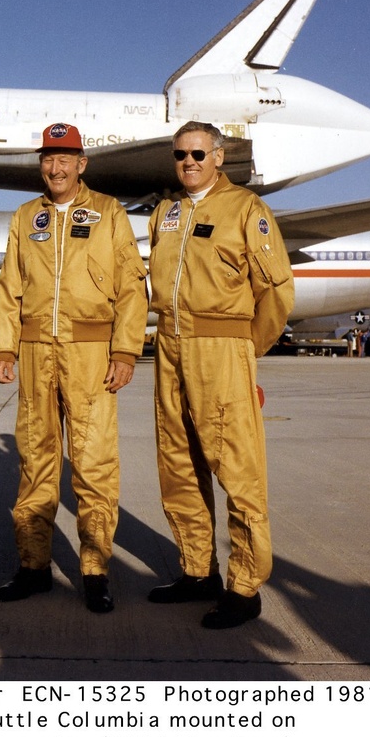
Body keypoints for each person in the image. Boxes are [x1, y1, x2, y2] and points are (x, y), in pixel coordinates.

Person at [0, 122, 148, 614]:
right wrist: (4, 348)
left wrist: (125, 352)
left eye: (65, 158)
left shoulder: (107, 213)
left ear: (82, 164)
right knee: (35, 460)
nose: (55, 167)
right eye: (47, 158)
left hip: (90, 355)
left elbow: (130, 287)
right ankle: (33, 565)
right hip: (38, 353)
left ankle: (95, 568)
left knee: (93, 462)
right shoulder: (26, 217)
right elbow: (9, 286)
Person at [147, 121, 294, 629]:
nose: (188, 162)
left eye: (197, 154)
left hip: (222, 348)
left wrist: (245, 350)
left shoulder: (246, 210)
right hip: (169, 346)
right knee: (178, 464)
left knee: (237, 469)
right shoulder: (165, 214)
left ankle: (245, 585)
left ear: (219, 156)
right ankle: (196, 571)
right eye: (180, 155)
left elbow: (277, 291)